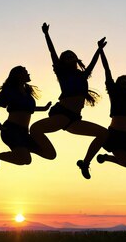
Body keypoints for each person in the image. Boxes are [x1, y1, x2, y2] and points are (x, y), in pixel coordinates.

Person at [30, 22, 107, 179]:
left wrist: (99, 49)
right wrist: (46, 34)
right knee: (35, 129)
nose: (71, 58)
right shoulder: (62, 74)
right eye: (67, 57)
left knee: (104, 133)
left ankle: (85, 163)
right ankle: (27, 144)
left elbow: (92, 65)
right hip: (62, 114)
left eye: (72, 56)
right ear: (63, 62)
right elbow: (52, 53)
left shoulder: (82, 75)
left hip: (74, 120)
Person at [0, 66, 51, 165]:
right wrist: (0, 126)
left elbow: (26, 108)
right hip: (11, 131)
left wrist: (44, 108)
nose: (28, 73)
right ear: (18, 76)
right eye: (25, 72)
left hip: (24, 133)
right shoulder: (9, 91)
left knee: (49, 154)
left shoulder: (28, 94)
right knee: (26, 159)